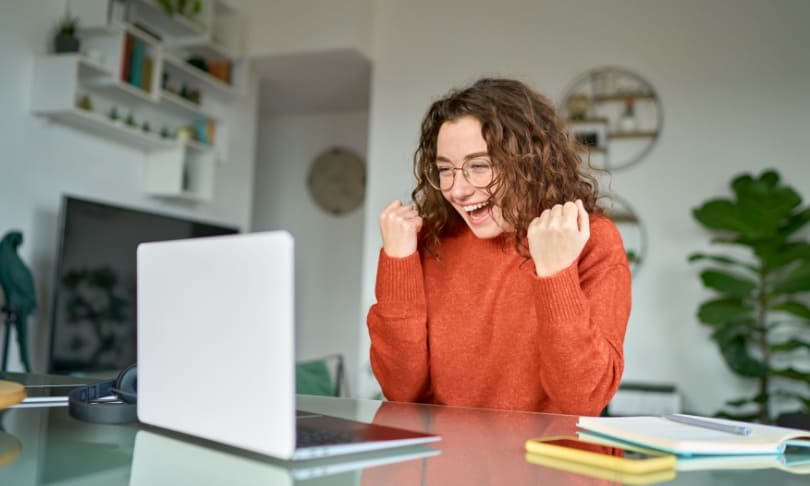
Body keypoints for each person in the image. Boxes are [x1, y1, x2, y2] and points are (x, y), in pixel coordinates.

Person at [367, 77, 631, 416]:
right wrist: (398, 262)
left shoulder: (590, 238)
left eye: (479, 166)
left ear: (529, 160)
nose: (457, 190)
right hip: (444, 450)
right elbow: (400, 390)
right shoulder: (427, 242)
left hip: (544, 451)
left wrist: (556, 274)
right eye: (445, 169)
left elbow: (581, 398)